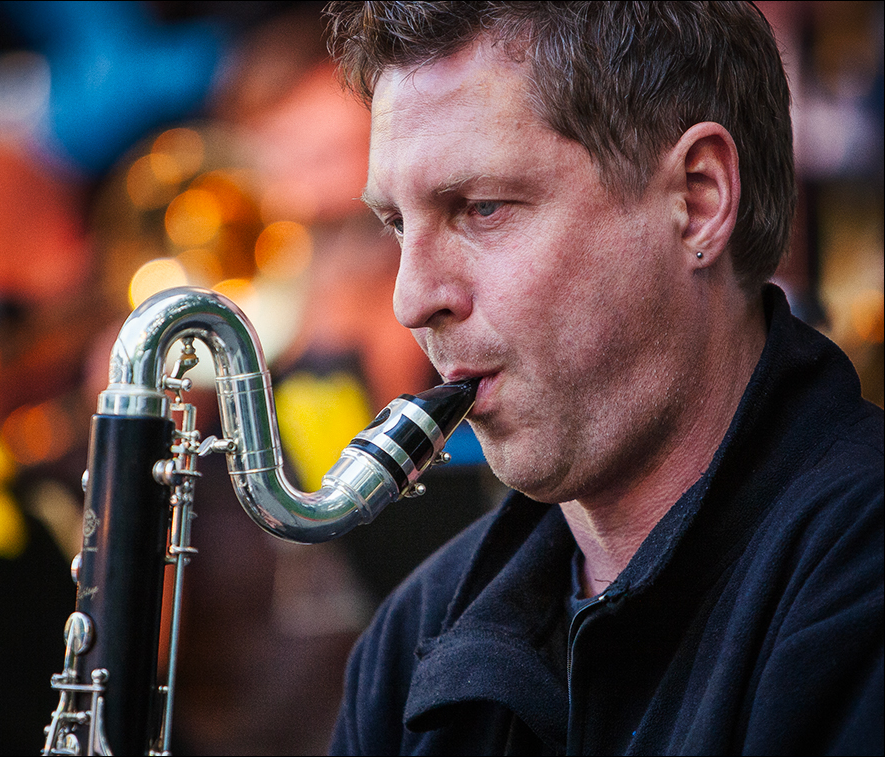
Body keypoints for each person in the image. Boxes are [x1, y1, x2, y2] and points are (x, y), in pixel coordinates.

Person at [322, 2, 884, 754]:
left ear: (698, 199)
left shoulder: (861, 563)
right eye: (396, 223)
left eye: (482, 207)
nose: (411, 299)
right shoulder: (410, 638)